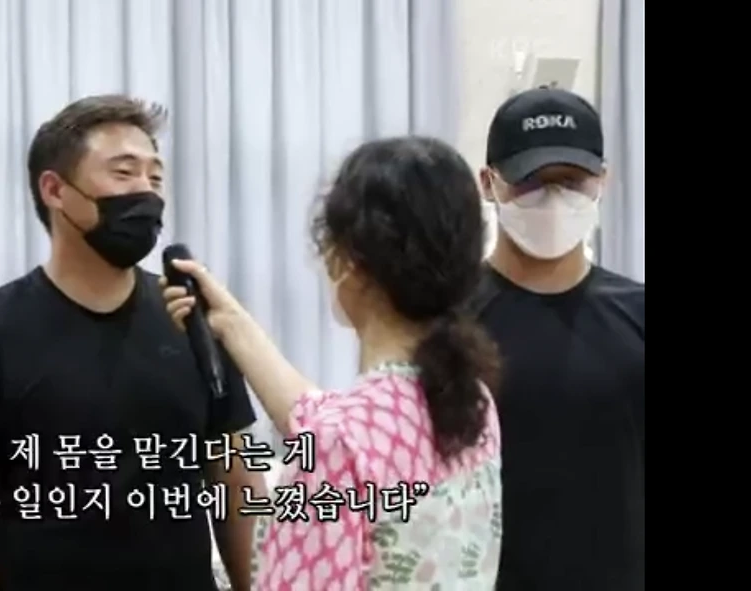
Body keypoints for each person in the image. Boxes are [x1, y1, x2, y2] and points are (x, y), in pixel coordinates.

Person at [0, 95, 263, 591]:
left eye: (155, 177)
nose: (145, 191)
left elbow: (235, 479)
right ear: (55, 190)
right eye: (124, 173)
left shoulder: (191, 319)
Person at [163, 136, 504, 590]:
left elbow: (335, 438)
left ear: (347, 261)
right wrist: (230, 323)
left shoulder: (337, 442)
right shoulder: (472, 405)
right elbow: (328, 420)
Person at [477, 87, 644, 591]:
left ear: (602, 180)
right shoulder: (443, 323)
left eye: (571, 181)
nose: (553, 200)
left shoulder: (637, 314)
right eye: (530, 181)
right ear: (489, 183)